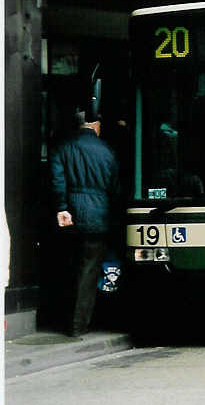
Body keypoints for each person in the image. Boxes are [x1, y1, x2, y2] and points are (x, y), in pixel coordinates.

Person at [50, 107, 120, 337]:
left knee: (67, 267)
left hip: (71, 214)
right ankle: (79, 324)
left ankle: (62, 318)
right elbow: (115, 187)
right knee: (89, 271)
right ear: (96, 126)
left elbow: (57, 181)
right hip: (99, 215)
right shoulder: (108, 151)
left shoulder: (63, 148)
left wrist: (61, 207)